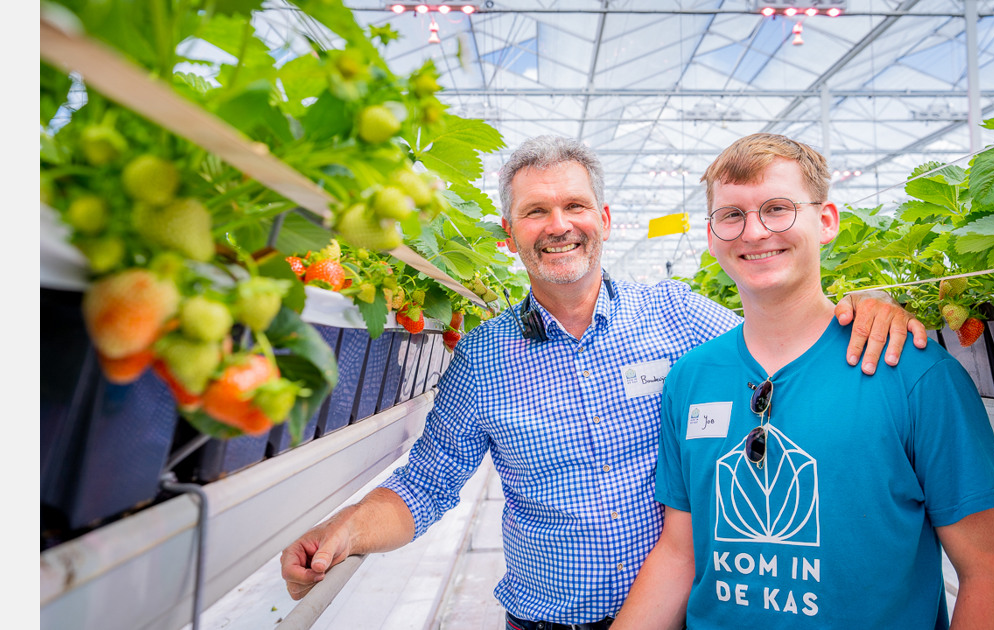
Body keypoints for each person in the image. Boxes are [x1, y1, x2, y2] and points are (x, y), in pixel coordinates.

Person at [279, 135, 928, 628]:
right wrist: (348, 529)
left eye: (574, 205)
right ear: (509, 235)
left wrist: (861, 307)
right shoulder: (482, 358)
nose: (558, 224)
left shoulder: (675, 314)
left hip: (680, 611)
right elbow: (427, 481)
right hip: (545, 620)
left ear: (605, 219)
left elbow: (782, 351)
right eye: (536, 212)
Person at [613, 133, 994, 629]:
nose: (755, 231)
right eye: (732, 215)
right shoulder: (692, 377)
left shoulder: (914, 374)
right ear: (711, 234)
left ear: (826, 221)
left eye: (778, 208)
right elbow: (681, 553)